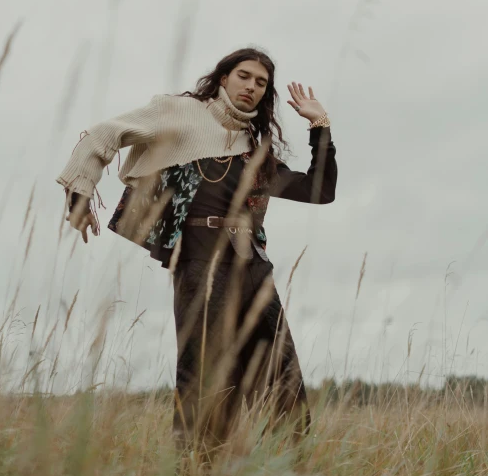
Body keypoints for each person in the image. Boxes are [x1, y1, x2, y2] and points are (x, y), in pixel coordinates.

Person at [57, 47, 337, 451]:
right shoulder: (178, 113)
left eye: (261, 83)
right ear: (223, 78)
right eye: (244, 76)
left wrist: (320, 126)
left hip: (254, 267)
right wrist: (80, 191)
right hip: (200, 262)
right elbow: (105, 133)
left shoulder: (253, 151)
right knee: (203, 377)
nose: (252, 86)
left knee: (283, 375)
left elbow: (320, 190)